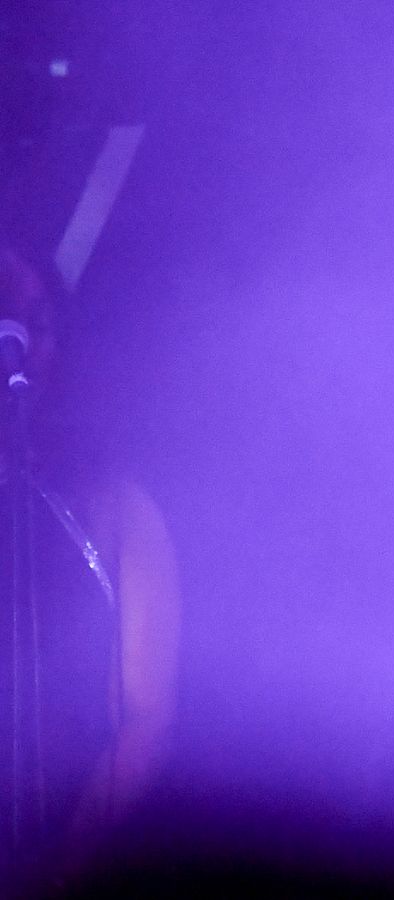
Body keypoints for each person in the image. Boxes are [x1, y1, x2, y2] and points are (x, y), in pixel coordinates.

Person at [0, 242, 180, 890]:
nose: (13, 340)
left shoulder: (120, 509)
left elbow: (144, 717)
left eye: (35, 323)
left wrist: (64, 866)